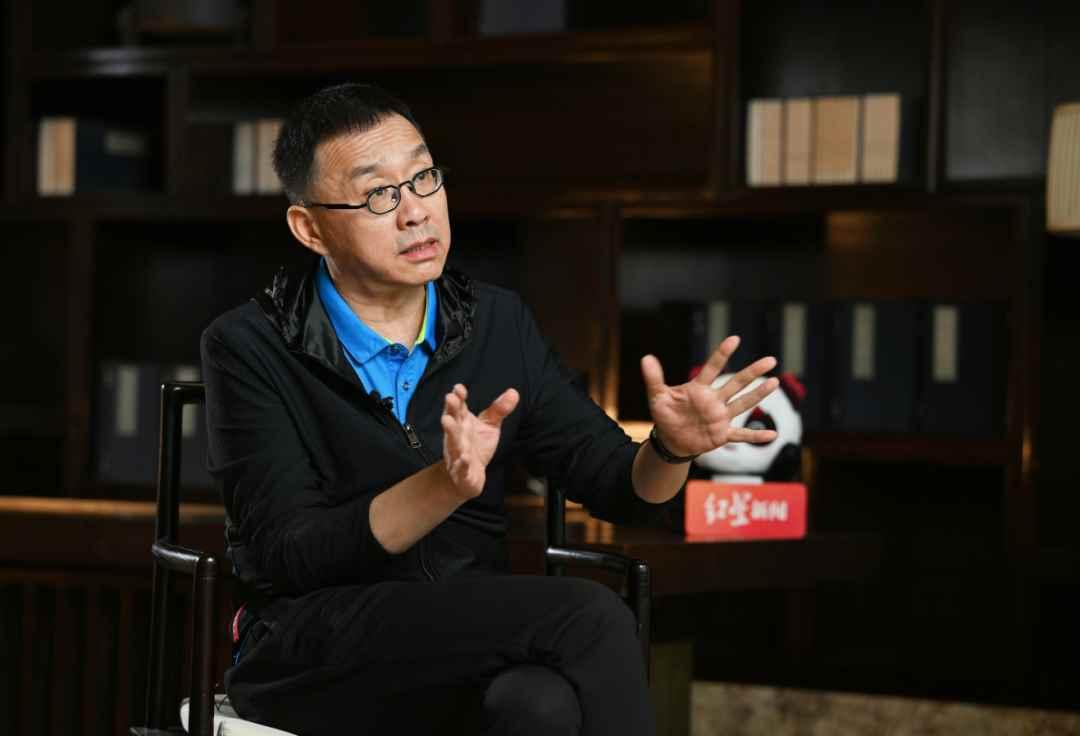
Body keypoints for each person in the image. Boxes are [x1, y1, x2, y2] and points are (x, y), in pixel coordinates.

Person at [201, 83, 780, 736]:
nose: (415, 212)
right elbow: (291, 554)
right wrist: (443, 486)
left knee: (541, 705)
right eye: (379, 194)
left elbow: (619, 486)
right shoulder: (248, 344)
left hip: (456, 635)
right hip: (310, 645)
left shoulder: (496, 323)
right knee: (590, 615)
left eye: (424, 178)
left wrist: (670, 449)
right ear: (310, 228)